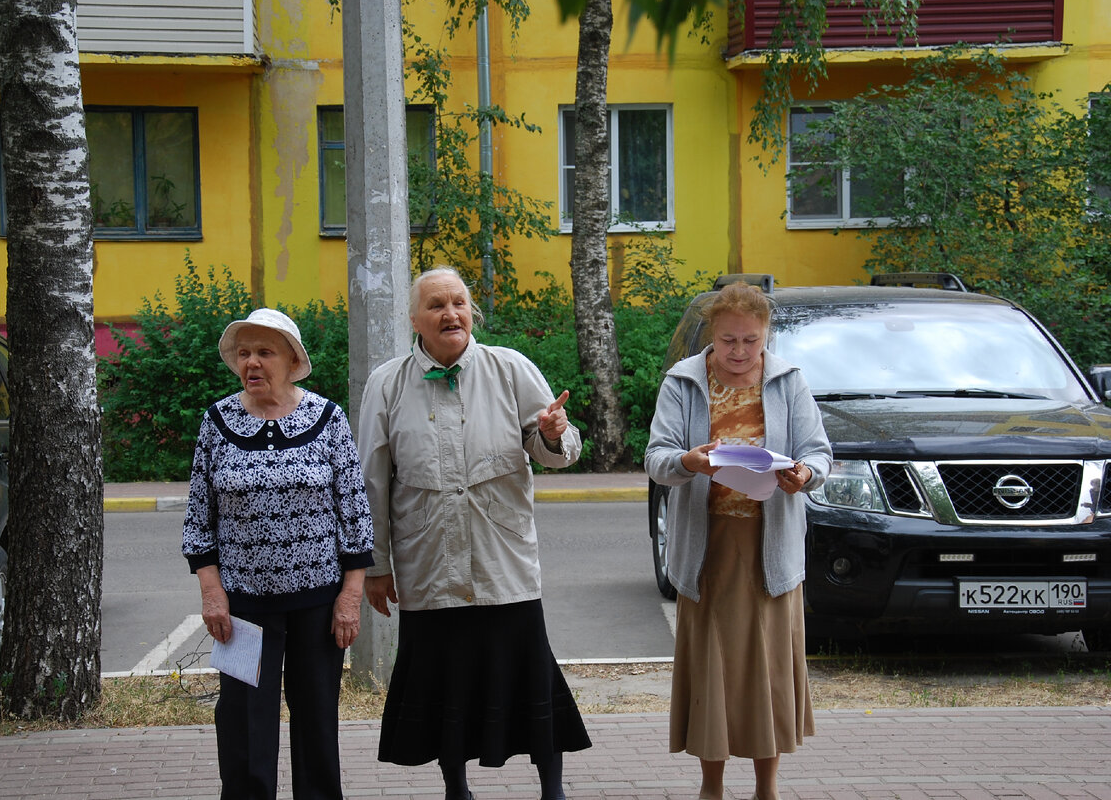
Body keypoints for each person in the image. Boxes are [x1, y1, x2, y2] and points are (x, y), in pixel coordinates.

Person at [357, 266, 591, 800]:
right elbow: (372, 478)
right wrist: (375, 566)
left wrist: (554, 434)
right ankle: (455, 788)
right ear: (415, 319)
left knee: (529, 677)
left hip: (501, 561)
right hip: (429, 563)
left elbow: (556, 449)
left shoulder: (510, 369)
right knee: (446, 685)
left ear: (471, 312)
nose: (450, 314)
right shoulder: (387, 383)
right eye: (436, 305)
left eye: (459, 303)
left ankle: (551, 789)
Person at [644, 281, 832, 800]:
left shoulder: (789, 381)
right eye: (729, 340)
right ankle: (711, 787)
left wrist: (804, 475)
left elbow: (819, 453)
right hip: (707, 549)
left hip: (769, 548)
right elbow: (656, 458)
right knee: (713, 671)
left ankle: (767, 788)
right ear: (712, 334)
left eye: (751, 341)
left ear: (766, 337)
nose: (740, 352)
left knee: (768, 671)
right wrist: (688, 461)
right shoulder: (682, 382)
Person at [182, 307, 375, 800]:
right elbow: (199, 517)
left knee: (316, 722)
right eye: (244, 353)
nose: (252, 363)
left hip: (317, 605)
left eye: (265, 352)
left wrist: (350, 596)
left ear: (292, 360)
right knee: (244, 728)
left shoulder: (328, 419)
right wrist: (212, 592)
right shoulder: (216, 422)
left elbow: (355, 514)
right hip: (243, 607)